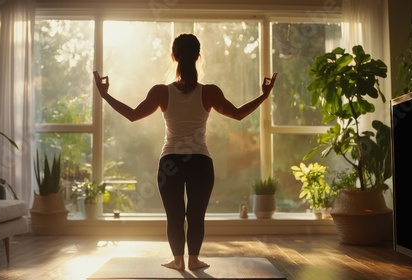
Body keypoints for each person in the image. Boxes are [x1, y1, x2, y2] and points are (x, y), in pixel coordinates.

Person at [93, 33, 277, 271]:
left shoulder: (161, 92)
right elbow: (238, 114)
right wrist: (264, 94)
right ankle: (193, 260)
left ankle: (178, 260)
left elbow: (132, 114)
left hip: (170, 162)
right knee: (196, 215)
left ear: (173, 56)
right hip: (200, 162)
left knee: (175, 216)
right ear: (198, 57)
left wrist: (105, 94)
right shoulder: (209, 92)